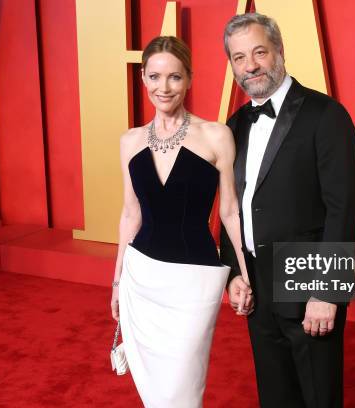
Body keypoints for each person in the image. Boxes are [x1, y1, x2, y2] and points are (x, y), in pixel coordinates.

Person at [220, 13, 355, 408]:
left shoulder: (326, 116)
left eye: (259, 52)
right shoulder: (233, 126)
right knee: (275, 395)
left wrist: (327, 292)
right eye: (239, 57)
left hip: (307, 280)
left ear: (279, 51)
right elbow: (231, 206)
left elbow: (343, 210)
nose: (250, 66)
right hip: (256, 287)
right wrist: (233, 271)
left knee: (319, 396)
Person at [109, 36, 253, 408]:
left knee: (183, 387)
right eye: (155, 77)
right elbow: (130, 214)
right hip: (141, 279)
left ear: (189, 78)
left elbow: (230, 211)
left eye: (174, 77)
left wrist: (244, 272)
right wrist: (116, 281)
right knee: (155, 392)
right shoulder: (130, 141)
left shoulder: (216, 135)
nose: (164, 87)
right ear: (143, 78)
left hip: (194, 280)